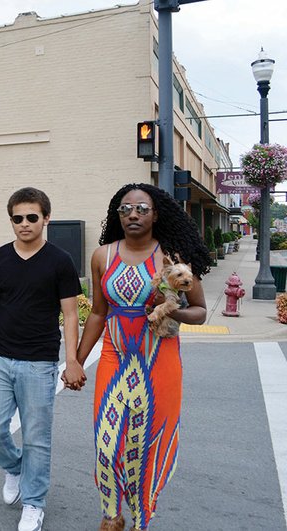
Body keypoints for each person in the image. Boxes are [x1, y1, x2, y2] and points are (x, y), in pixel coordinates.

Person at [63, 183, 210, 531]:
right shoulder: (102, 255)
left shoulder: (173, 256)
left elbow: (201, 311)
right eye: (126, 209)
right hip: (115, 361)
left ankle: (142, 520)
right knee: (107, 444)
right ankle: (112, 516)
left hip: (160, 362)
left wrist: (170, 312)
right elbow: (98, 313)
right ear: (118, 215)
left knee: (145, 447)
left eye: (142, 209)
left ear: (156, 214)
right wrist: (76, 361)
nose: (133, 214)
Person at [0, 187, 82, 531]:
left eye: (31, 217)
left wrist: (73, 360)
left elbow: (71, 314)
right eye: (17, 218)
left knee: (37, 438)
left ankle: (33, 503)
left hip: (39, 363)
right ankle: (16, 468)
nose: (24, 224)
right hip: (1, 359)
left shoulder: (60, 261)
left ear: (46, 218)